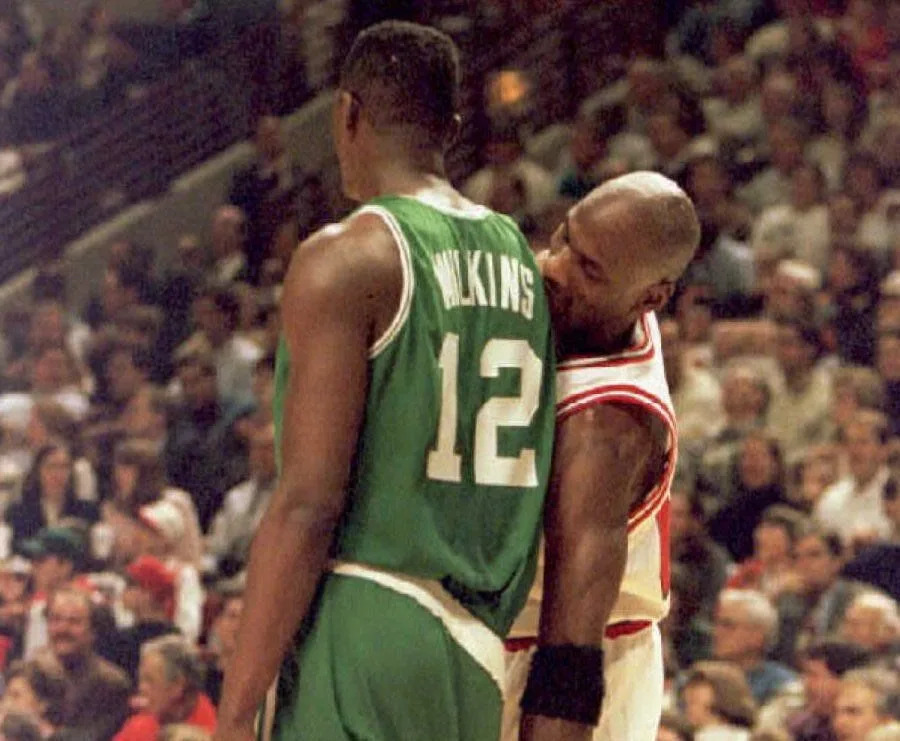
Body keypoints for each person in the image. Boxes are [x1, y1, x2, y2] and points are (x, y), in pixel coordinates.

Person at [216, 21, 556, 741]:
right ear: (453, 128)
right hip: (475, 650)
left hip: (366, 618)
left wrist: (237, 708)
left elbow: (308, 503)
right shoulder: (524, 259)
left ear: (347, 113)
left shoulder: (348, 255)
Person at [503, 171, 700, 741]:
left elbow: (570, 657)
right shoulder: (603, 307)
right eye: (565, 239)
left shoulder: (604, 431)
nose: (556, 267)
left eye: (588, 270)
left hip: (567, 671)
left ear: (652, 297)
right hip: (509, 643)